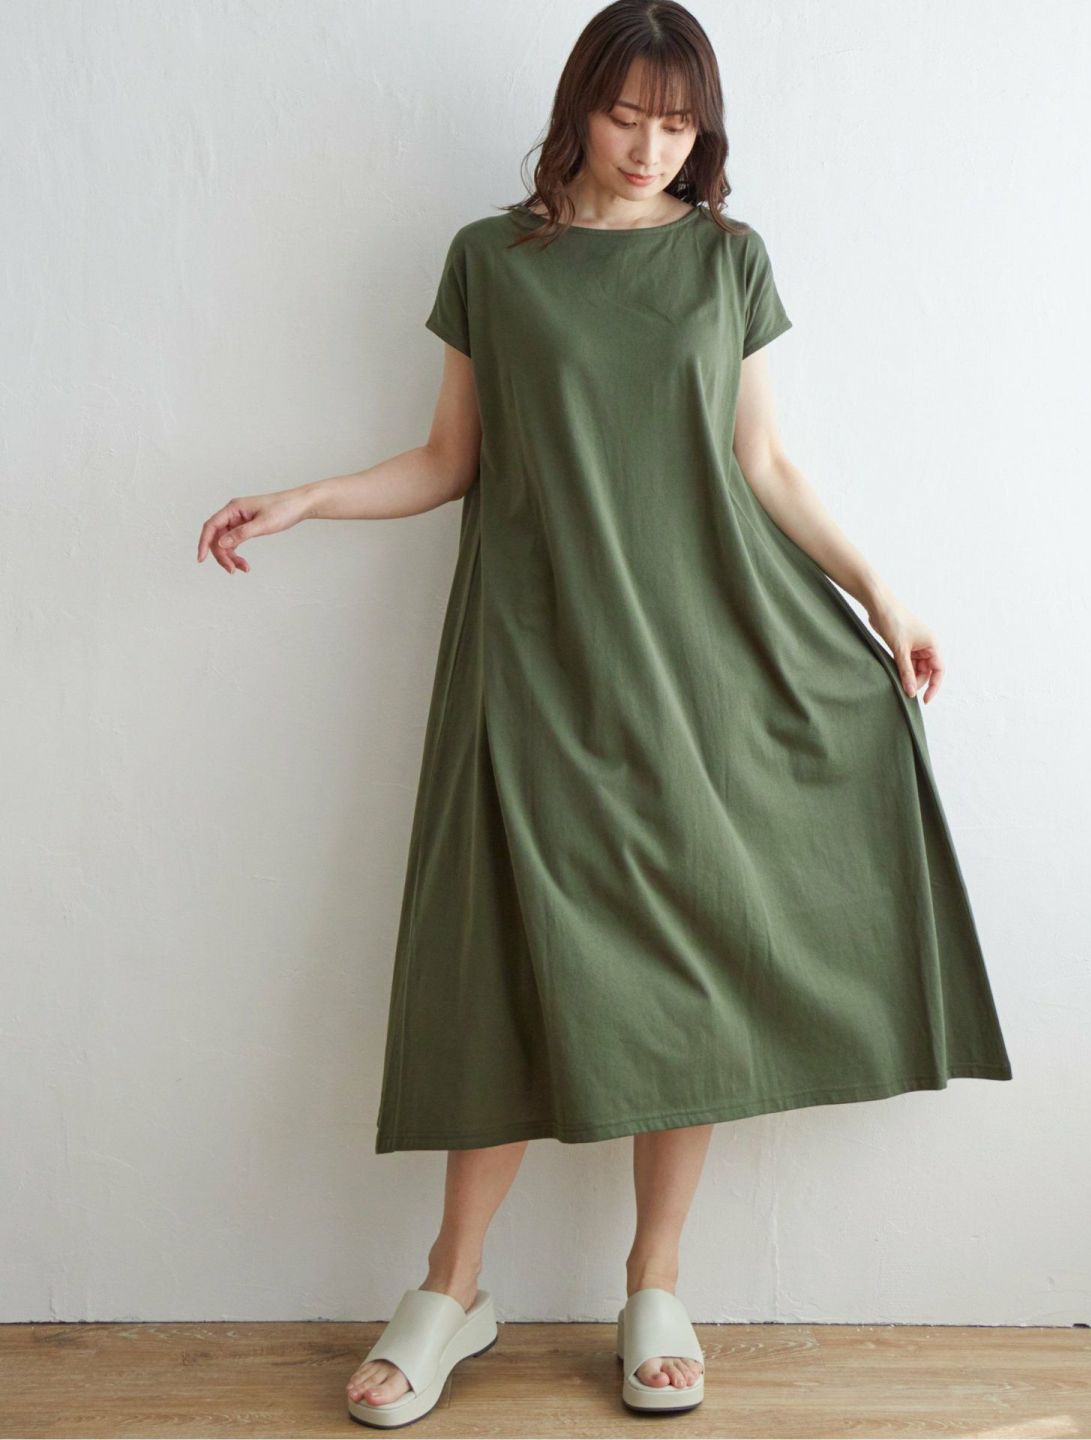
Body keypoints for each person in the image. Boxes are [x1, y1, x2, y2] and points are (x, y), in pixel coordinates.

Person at [197, 0, 1013, 1425]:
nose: (649, 148)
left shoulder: (726, 260)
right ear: (580, 107)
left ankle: (656, 1284)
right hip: (532, 662)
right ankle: (451, 1289)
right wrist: (310, 497)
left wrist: (885, 593)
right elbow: (451, 460)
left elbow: (762, 463)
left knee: (685, 965)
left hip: (703, 663)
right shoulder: (492, 260)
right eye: (627, 116)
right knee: (499, 963)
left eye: (678, 125)